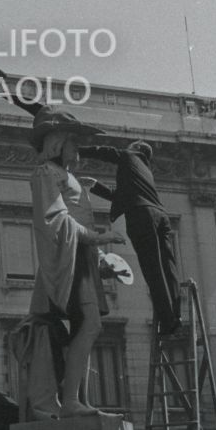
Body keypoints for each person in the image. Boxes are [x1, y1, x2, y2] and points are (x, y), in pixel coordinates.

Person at [11, 107, 126, 419]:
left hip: (81, 259)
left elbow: (72, 219)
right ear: (58, 142)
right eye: (73, 142)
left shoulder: (67, 176)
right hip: (68, 262)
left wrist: (101, 257)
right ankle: (72, 401)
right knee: (90, 324)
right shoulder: (46, 173)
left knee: (85, 327)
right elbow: (54, 219)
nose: (78, 148)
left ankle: (76, 401)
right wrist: (97, 238)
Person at [78, 138, 181, 335]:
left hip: (143, 216)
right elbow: (124, 196)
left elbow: (105, 150)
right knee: (169, 267)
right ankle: (176, 314)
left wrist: (79, 150)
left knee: (153, 269)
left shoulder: (130, 155)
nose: (125, 149)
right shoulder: (144, 171)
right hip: (161, 216)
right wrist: (96, 185)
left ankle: (168, 322)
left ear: (136, 148)